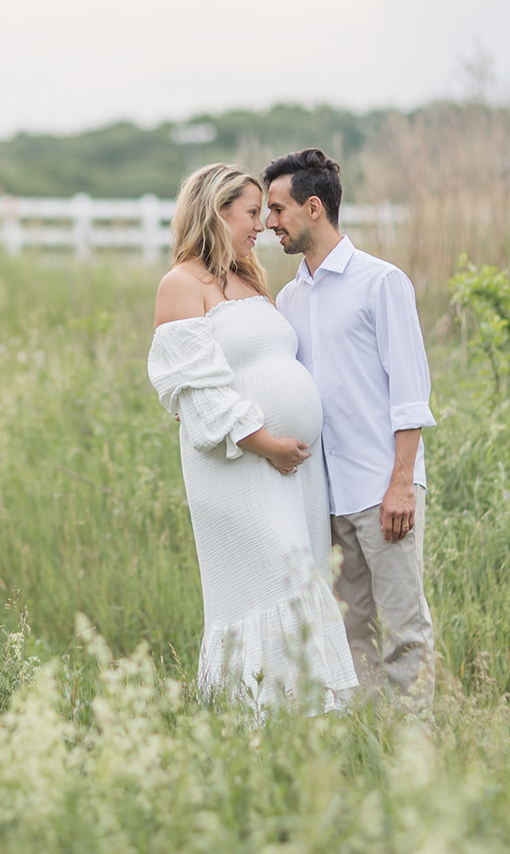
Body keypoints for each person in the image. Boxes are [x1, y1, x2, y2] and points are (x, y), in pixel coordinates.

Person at [147, 162, 358, 716]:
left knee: (301, 576)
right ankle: (254, 718)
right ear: (216, 214)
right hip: (239, 464)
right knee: (272, 577)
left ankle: (308, 713)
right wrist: (266, 442)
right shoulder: (181, 285)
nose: (262, 224)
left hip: (293, 470)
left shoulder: (250, 279)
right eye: (250, 212)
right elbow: (196, 393)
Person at [263, 148, 437, 708]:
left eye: (277, 209)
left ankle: (415, 748)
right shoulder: (289, 298)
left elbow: (410, 395)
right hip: (325, 500)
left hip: (383, 490)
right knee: (347, 634)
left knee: (404, 629)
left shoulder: (381, 283)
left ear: (313, 208)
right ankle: (367, 744)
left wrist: (402, 483)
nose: (269, 223)